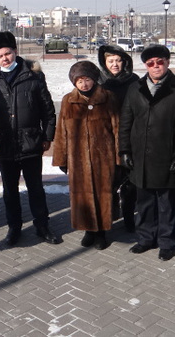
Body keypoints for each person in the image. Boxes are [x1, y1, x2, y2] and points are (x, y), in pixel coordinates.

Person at [0, 31, 61, 246]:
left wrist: (47, 136)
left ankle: (42, 226)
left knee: (36, 188)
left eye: (7, 53)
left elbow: (48, 110)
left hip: (30, 142)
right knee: (10, 191)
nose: (5, 58)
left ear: (15, 51)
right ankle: (14, 227)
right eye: (0, 56)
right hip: (4, 144)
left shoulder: (33, 76)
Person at [118, 44, 175, 261]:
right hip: (140, 157)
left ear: (167, 63)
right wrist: (124, 150)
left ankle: (167, 241)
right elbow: (126, 122)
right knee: (144, 202)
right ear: (145, 65)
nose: (156, 66)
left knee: (166, 204)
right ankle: (146, 238)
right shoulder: (135, 88)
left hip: (167, 156)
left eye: (160, 62)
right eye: (151, 63)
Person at [53, 61, 119, 250]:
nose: (84, 84)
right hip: (78, 159)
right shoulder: (68, 100)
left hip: (103, 158)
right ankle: (88, 231)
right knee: (82, 197)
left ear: (94, 79)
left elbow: (117, 128)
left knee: (103, 195)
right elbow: (61, 131)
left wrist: (119, 157)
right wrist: (62, 158)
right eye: (79, 81)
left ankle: (102, 232)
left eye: (87, 79)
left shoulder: (108, 97)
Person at [98, 44, 139, 233]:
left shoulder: (134, 81)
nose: (115, 64)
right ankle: (108, 217)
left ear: (125, 62)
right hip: (104, 140)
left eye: (118, 60)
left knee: (129, 183)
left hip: (129, 138)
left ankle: (129, 216)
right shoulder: (98, 81)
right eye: (111, 61)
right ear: (104, 62)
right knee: (108, 182)